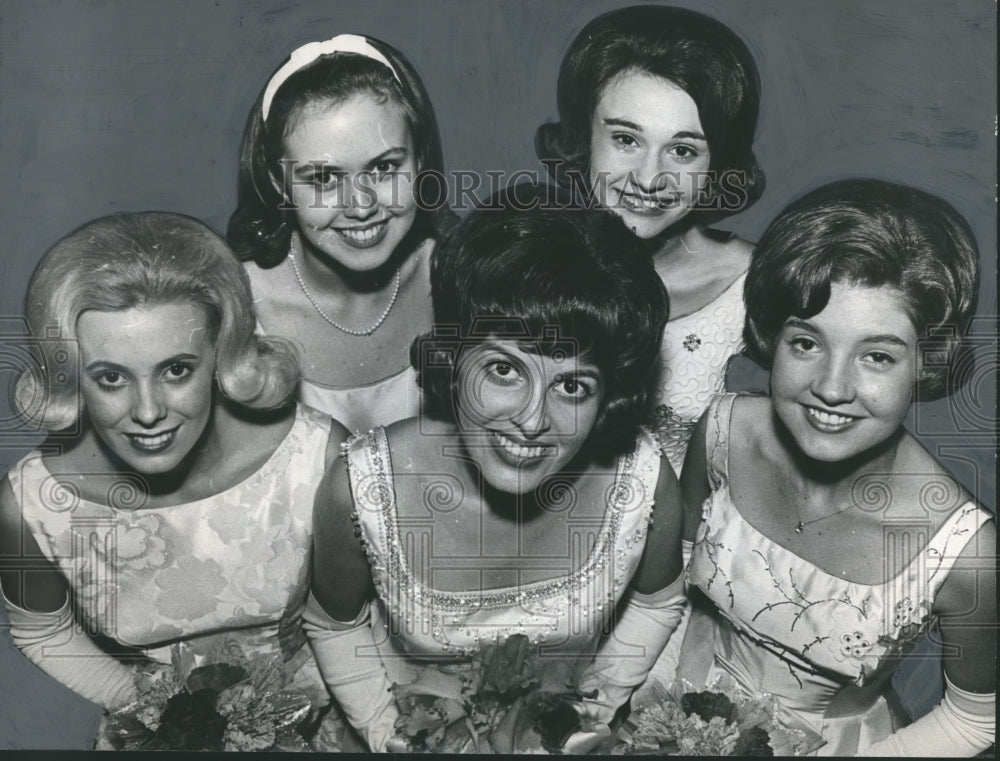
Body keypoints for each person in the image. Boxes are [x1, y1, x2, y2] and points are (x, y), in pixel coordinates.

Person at [303, 204, 688, 753]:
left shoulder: (641, 481)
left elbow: (657, 602)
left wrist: (584, 718)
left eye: (572, 386)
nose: (532, 420)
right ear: (455, 357)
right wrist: (393, 738)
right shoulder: (363, 487)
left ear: (610, 396)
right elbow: (334, 624)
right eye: (504, 370)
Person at [0, 213, 350, 750]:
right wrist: (162, 717)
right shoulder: (30, 504)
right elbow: (42, 631)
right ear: (71, 375)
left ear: (222, 354)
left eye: (177, 370)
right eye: (111, 377)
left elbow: (352, 625)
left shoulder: (314, 457)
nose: (148, 412)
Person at [677, 180, 995, 755]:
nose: (831, 387)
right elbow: (672, 588)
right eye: (807, 343)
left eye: (877, 356)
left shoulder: (968, 553)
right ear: (774, 337)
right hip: (673, 711)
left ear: (925, 363)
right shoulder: (723, 431)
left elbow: (974, 721)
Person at [536, 5, 765, 476]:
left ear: (717, 163)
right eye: (626, 140)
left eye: (682, 151)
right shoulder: (526, 259)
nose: (648, 178)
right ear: (584, 136)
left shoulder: (757, 285)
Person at [228, 33, 454, 433]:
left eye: (384, 168)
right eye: (324, 178)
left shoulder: (462, 277)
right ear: (279, 182)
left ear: (419, 159)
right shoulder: (235, 308)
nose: (362, 207)